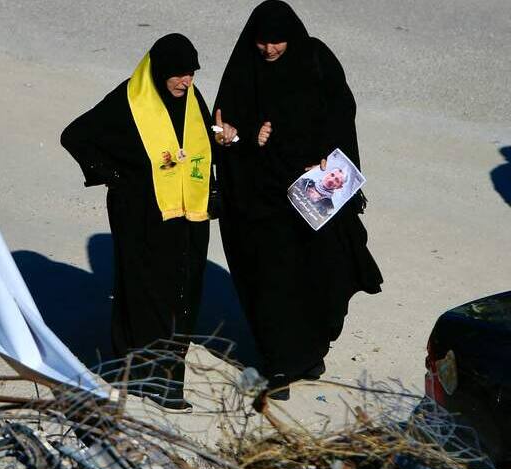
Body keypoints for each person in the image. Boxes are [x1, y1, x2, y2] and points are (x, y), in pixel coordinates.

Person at [215, 0, 383, 400]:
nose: (270, 49)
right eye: (263, 41)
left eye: (278, 41)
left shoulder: (316, 59)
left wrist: (330, 148)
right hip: (263, 202)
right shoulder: (244, 70)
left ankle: (309, 354)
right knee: (273, 283)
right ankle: (281, 367)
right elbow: (226, 131)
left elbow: (342, 107)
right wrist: (246, 137)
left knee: (318, 275)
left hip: (312, 195)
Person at [61, 33, 222, 411]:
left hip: (189, 215)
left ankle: (159, 370)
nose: (185, 82)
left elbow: (197, 148)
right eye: (178, 75)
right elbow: (76, 136)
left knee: (183, 292)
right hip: (141, 218)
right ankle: (157, 378)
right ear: (161, 71)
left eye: (191, 74)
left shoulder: (193, 99)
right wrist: (117, 176)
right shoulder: (130, 100)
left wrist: (224, 143)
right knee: (147, 291)